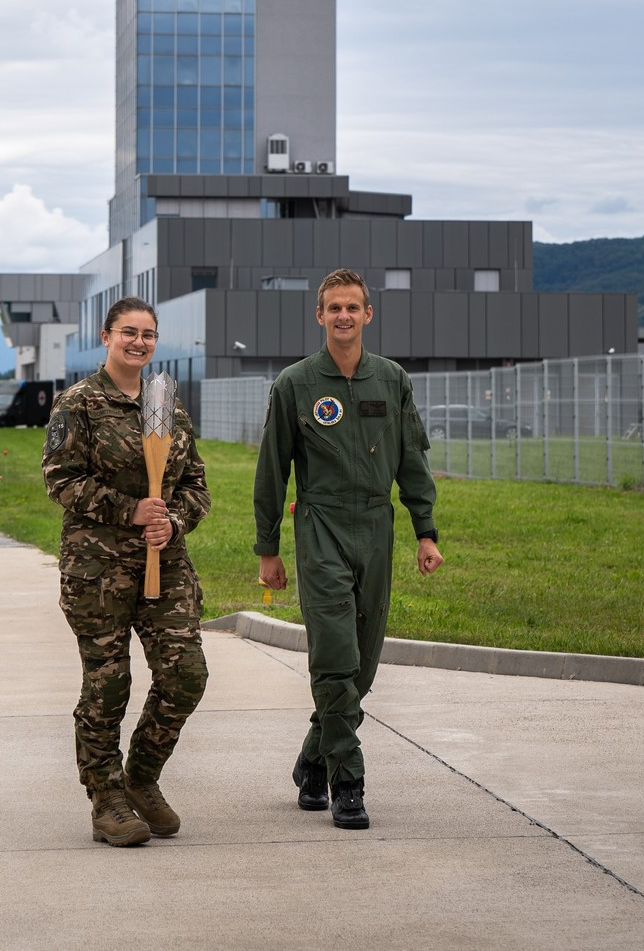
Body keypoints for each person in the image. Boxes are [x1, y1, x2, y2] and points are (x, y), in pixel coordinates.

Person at [254, 267, 444, 831]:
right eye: (333, 307)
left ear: (367, 314)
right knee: (334, 653)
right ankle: (348, 779)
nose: (343, 316)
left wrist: (425, 531)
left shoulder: (392, 379)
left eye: (352, 308)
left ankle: (312, 761)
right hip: (321, 526)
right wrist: (269, 549)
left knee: (362, 661)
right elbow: (272, 472)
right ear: (319, 315)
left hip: (377, 527)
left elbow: (413, 459)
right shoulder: (294, 384)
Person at [41, 297, 210, 849]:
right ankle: (106, 798)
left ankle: (140, 778)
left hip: (166, 567)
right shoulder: (80, 403)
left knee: (186, 675)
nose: (139, 342)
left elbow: (195, 487)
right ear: (106, 335)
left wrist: (174, 522)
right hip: (99, 571)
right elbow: (60, 479)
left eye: (149, 335)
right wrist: (128, 509)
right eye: (129, 333)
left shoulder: (169, 406)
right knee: (109, 682)